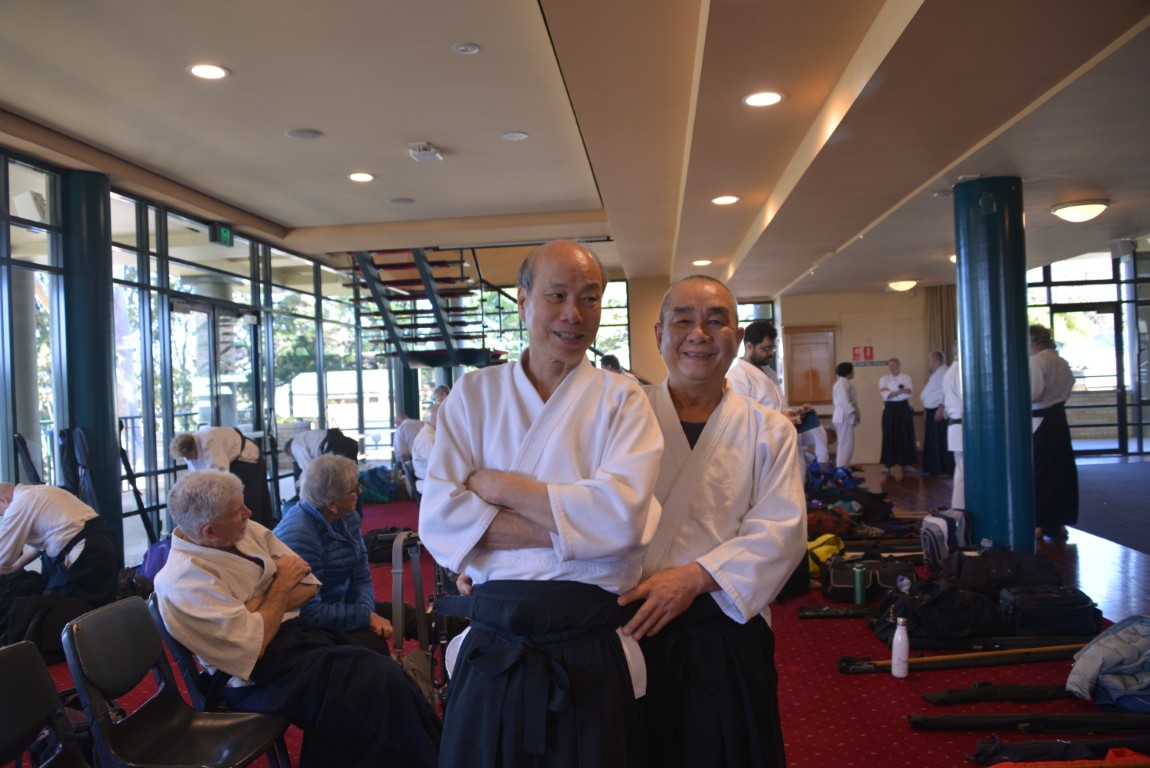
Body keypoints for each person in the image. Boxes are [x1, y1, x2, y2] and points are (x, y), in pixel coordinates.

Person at [419, 239, 663, 768]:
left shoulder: (623, 399)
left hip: (588, 640)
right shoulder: (474, 394)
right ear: (523, 301)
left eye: (589, 298)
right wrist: (585, 531)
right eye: (557, 295)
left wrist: (501, 490)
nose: (574, 314)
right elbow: (440, 522)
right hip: (494, 639)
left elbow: (624, 522)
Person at [620, 275, 806, 767]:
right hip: (632, 627)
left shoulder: (770, 430)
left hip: (724, 627)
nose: (698, 334)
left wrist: (695, 577)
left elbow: (781, 532)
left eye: (716, 321)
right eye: (683, 320)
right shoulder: (622, 417)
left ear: (738, 338)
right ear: (659, 334)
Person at [153, 470, 440, 768]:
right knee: (371, 678)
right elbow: (254, 645)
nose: (249, 513)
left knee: (382, 670)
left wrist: (254, 607)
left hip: (292, 637)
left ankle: (440, 753)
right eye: (238, 511)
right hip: (250, 676)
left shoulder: (242, 530)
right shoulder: (183, 581)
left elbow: (308, 586)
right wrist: (278, 584)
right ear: (210, 531)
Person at [273, 455, 392, 654]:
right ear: (332, 504)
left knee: (413, 616)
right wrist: (364, 617)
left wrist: (365, 611)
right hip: (307, 622)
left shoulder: (346, 516)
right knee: (375, 646)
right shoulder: (299, 536)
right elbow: (309, 612)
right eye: (353, 490)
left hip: (340, 603)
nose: (360, 492)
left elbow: (361, 572)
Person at [726, 320, 830, 469]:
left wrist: (793, 414)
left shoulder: (769, 373)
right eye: (766, 348)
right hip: (763, 450)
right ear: (749, 346)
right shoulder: (737, 376)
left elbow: (775, 408)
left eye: (772, 348)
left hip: (783, 439)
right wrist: (780, 419)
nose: (770, 353)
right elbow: (743, 419)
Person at [0, 482, 118, 608]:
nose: (3, 516)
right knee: (100, 606)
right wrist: (17, 565)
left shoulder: (19, 504)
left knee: (64, 609)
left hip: (84, 551)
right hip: (103, 543)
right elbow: (44, 540)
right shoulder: (39, 492)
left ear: (3, 500)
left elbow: (2, 556)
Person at [1029, 324, 1078, 540]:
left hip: (1040, 420)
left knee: (1040, 471)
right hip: (1058, 418)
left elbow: (1033, 393)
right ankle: (1058, 522)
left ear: (1033, 342)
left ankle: (1038, 523)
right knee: (1060, 471)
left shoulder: (1037, 361)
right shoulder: (1062, 361)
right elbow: (1068, 388)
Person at [170, 426, 276, 526]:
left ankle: (254, 530)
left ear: (194, 447)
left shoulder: (211, 440)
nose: (188, 459)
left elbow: (219, 476)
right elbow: (196, 474)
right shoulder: (189, 450)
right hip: (232, 461)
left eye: (188, 456)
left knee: (247, 499)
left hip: (247, 458)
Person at [878, 357, 917, 475]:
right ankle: (887, 465)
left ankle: (907, 464)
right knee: (889, 435)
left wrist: (892, 392)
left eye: (893, 365)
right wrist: (900, 391)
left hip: (903, 408)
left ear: (899, 366)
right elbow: (885, 395)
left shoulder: (906, 378)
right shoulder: (883, 379)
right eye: (889, 365)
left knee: (906, 435)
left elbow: (908, 394)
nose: (891, 367)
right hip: (889, 409)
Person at [920, 351, 954, 477]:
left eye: (929, 360)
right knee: (933, 441)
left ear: (935, 360)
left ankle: (944, 469)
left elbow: (946, 392)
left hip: (938, 410)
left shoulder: (944, 371)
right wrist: (925, 409)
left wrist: (941, 408)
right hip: (931, 410)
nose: (928, 362)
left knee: (940, 440)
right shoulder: (935, 373)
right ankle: (934, 468)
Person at [943, 351, 965, 510]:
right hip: (961, 424)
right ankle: (959, 509)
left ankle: (959, 508)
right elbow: (965, 400)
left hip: (956, 424)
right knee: (963, 471)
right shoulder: (958, 372)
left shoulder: (950, 371)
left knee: (961, 470)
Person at [832, 362, 860, 468]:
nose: (854, 372)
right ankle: (841, 468)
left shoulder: (844, 383)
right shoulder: (841, 384)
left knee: (847, 444)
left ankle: (844, 467)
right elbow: (843, 400)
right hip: (844, 416)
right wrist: (853, 412)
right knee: (845, 444)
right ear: (848, 372)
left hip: (844, 416)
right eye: (852, 370)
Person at [409, 406, 437, 495]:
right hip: (429, 484)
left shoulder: (432, 433)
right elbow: (437, 467)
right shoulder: (429, 438)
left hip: (432, 480)